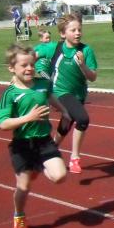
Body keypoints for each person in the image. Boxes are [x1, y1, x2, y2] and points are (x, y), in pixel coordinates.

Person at [0, 43, 67, 228]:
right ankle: (19, 215)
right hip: (22, 145)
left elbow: (49, 96)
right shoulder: (10, 93)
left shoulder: (42, 84)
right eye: (24, 65)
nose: (29, 69)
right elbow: (2, 123)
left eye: (32, 65)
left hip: (44, 141)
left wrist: (64, 110)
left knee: (60, 176)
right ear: (12, 68)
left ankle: (39, 165)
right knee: (24, 186)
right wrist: (28, 118)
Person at [37, 13, 98, 174]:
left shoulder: (86, 50)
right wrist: (21, 73)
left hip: (79, 94)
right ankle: (75, 158)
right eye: (73, 30)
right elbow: (32, 55)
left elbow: (92, 77)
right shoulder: (54, 48)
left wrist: (83, 65)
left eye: (79, 29)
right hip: (59, 91)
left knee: (67, 121)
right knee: (82, 119)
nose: (78, 33)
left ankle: (49, 152)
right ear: (63, 34)